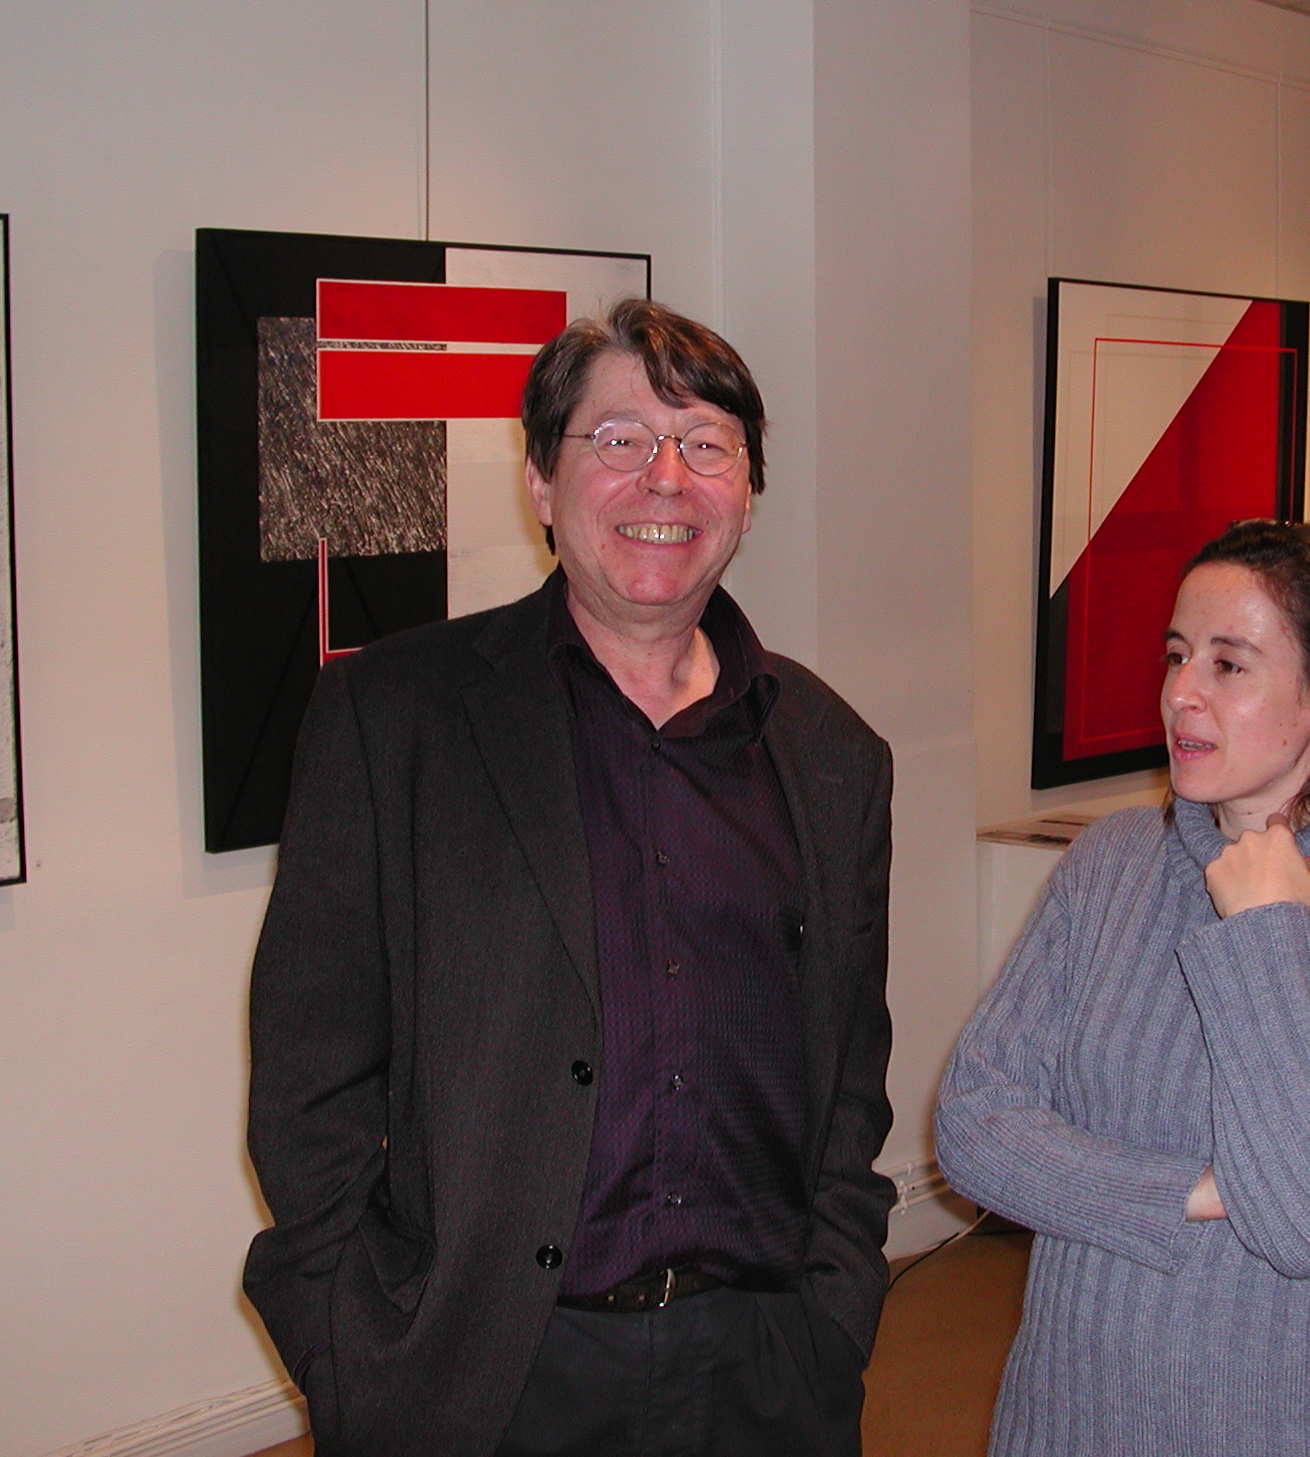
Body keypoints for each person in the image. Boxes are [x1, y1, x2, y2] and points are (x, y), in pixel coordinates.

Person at [243, 299, 895, 1457]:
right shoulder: (392, 720)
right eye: (620, 439)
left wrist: (833, 1313)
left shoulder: (832, 753)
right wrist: (350, 1343)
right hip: (491, 1376)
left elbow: (848, 1080)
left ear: (747, 493)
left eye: (706, 444)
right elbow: (310, 1078)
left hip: (766, 1369)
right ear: (541, 480)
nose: (665, 478)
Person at [936, 518, 1310, 1456]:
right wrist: (1195, 1190)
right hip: (1068, 1420)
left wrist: (1264, 936)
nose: (1180, 693)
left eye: (1230, 665)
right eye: (1177, 654)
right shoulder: (1110, 865)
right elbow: (973, 1125)